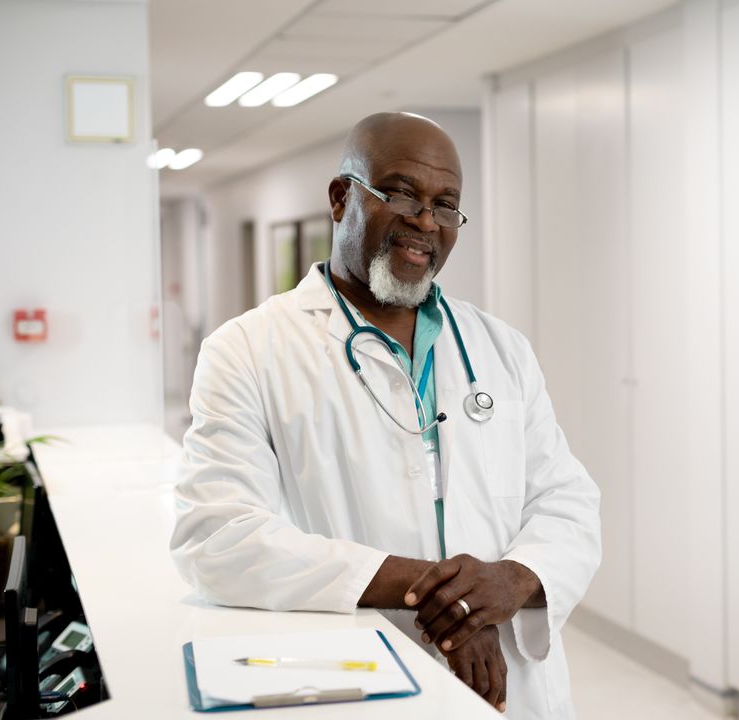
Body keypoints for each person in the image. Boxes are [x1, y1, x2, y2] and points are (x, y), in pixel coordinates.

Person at [170, 112, 602, 719]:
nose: (424, 221)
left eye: (445, 205)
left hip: (510, 689)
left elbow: (567, 499)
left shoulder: (501, 349)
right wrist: (438, 593)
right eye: (399, 193)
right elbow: (218, 538)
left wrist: (515, 578)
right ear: (342, 197)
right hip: (356, 676)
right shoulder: (247, 350)